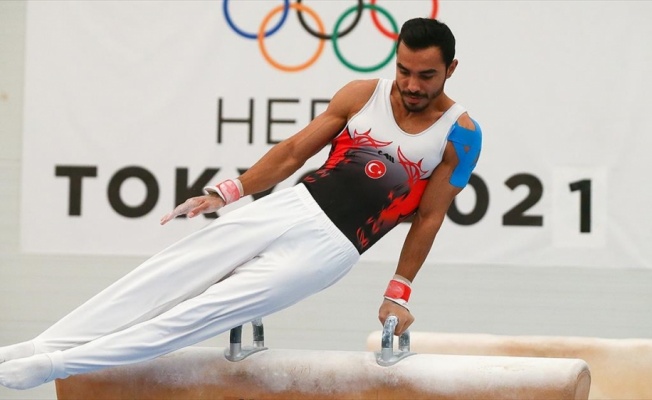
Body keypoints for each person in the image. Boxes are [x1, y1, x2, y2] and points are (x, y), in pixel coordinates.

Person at [0, 17, 481, 390]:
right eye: (403, 71)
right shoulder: (362, 95)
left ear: (451, 70)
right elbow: (293, 152)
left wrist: (398, 292)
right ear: (394, 60)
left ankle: (54, 367)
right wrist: (224, 193)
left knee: (204, 313)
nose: (412, 85)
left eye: (426, 76)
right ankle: (38, 346)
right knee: (165, 273)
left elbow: (430, 217)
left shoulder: (460, 134)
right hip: (291, 206)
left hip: (330, 250)